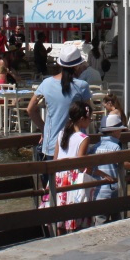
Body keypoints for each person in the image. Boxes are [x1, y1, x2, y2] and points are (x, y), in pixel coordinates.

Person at [28, 46, 91, 161]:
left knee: (51, 178)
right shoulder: (82, 86)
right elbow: (88, 113)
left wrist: (44, 129)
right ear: (77, 66)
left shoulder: (46, 83)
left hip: (50, 143)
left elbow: (30, 109)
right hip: (75, 144)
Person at [46, 100, 95, 234]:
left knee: (58, 219)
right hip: (72, 179)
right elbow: (80, 164)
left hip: (58, 177)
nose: (90, 121)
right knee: (73, 218)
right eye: (89, 118)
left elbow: (55, 159)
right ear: (81, 119)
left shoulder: (61, 133)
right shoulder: (83, 138)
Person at [90, 113, 130, 223]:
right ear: (114, 131)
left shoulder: (95, 147)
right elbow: (122, 163)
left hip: (98, 192)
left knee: (100, 220)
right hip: (113, 191)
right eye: (119, 130)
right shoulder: (115, 147)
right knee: (117, 220)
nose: (120, 133)